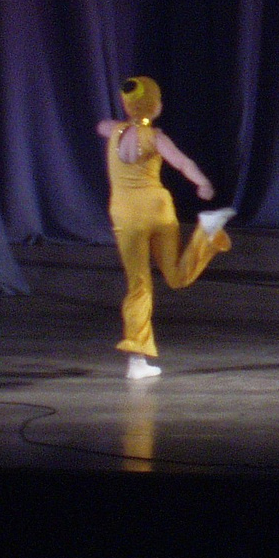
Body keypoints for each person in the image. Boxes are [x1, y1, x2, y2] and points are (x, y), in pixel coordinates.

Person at [97, 77, 234, 380]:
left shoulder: (114, 131)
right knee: (176, 276)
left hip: (126, 217)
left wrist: (126, 120)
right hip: (157, 210)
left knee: (139, 286)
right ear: (155, 106)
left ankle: (137, 360)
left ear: (127, 104)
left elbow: (101, 126)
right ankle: (207, 233)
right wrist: (202, 183)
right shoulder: (155, 138)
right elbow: (183, 163)